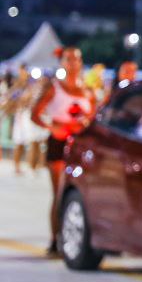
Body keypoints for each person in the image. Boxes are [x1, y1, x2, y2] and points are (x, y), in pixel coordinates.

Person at [32, 47, 97, 256]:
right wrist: (53, 127)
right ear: (62, 63)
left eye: (76, 59)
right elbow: (35, 114)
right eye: (68, 59)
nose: (73, 64)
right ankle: (55, 239)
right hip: (59, 143)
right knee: (59, 192)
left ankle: (78, 239)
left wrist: (86, 122)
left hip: (81, 144)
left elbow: (95, 117)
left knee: (81, 193)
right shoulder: (54, 88)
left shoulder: (88, 91)